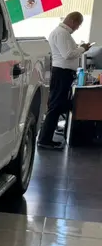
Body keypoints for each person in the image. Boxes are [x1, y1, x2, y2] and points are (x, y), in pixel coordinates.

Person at [38, 11, 93, 149]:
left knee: (57, 105)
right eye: (78, 25)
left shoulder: (61, 33)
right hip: (62, 72)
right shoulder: (62, 33)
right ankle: (45, 139)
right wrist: (82, 48)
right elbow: (67, 54)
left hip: (63, 72)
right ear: (73, 21)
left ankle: (46, 137)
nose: (77, 28)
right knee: (56, 106)